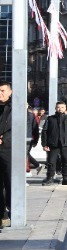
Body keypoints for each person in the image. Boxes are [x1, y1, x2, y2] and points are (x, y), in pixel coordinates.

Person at [41, 101, 67, 186]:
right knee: (51, 161)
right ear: (55, 108)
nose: (60, 109)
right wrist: (44, 144)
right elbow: (44, 131)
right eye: (58, 107)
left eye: (62, 107)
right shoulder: (50, 119)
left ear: (65, 108)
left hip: (66, 143)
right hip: (53, 144)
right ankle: (50, 178)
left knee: (66, 161)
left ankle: (65, 178)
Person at [0, 83, 12, 222]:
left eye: (3, 90)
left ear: (10, 92)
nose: (0, 93)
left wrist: (4, 139)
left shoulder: (15, 108)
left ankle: (11, 210)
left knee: (9, 181)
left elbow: (19, 127)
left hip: (9, 149)